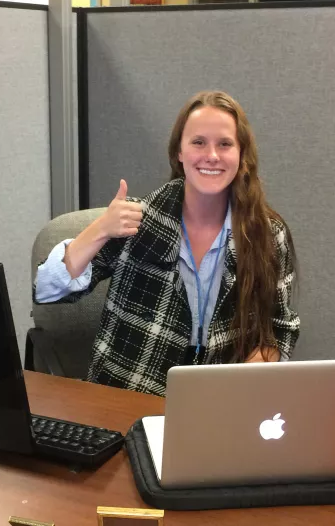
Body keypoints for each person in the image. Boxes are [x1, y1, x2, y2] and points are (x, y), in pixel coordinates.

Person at [34, 90, 300, 396]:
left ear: (241, 156)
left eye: (224, 144)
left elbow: (279, 328)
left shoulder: (266, 234)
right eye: (198, 142)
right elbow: (47, 290)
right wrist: (100, 229)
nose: (211, 155)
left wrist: (252, 373)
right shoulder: (139, 221)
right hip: (129, 395)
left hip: (216, 402)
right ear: (179, 152)